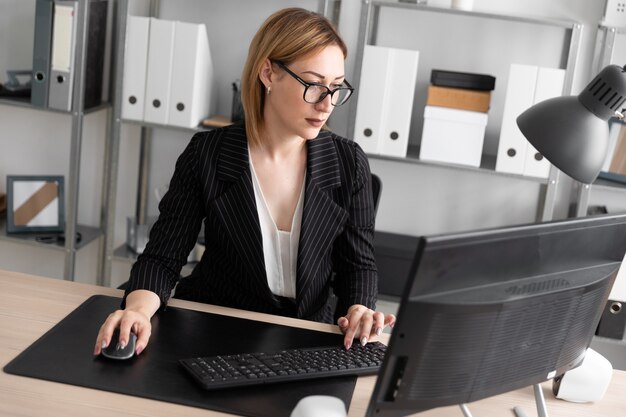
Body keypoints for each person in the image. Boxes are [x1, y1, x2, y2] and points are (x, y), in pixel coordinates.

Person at [94, 7, 395, 358]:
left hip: (305, 339)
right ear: (268, 72)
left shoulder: (348, 163)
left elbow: (358, 266)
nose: (327, 104)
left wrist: (359, 308)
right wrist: (138, 310)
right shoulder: (207, 154)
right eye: (313, 85)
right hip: (216, 332)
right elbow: (163, 256)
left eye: (336, 88)